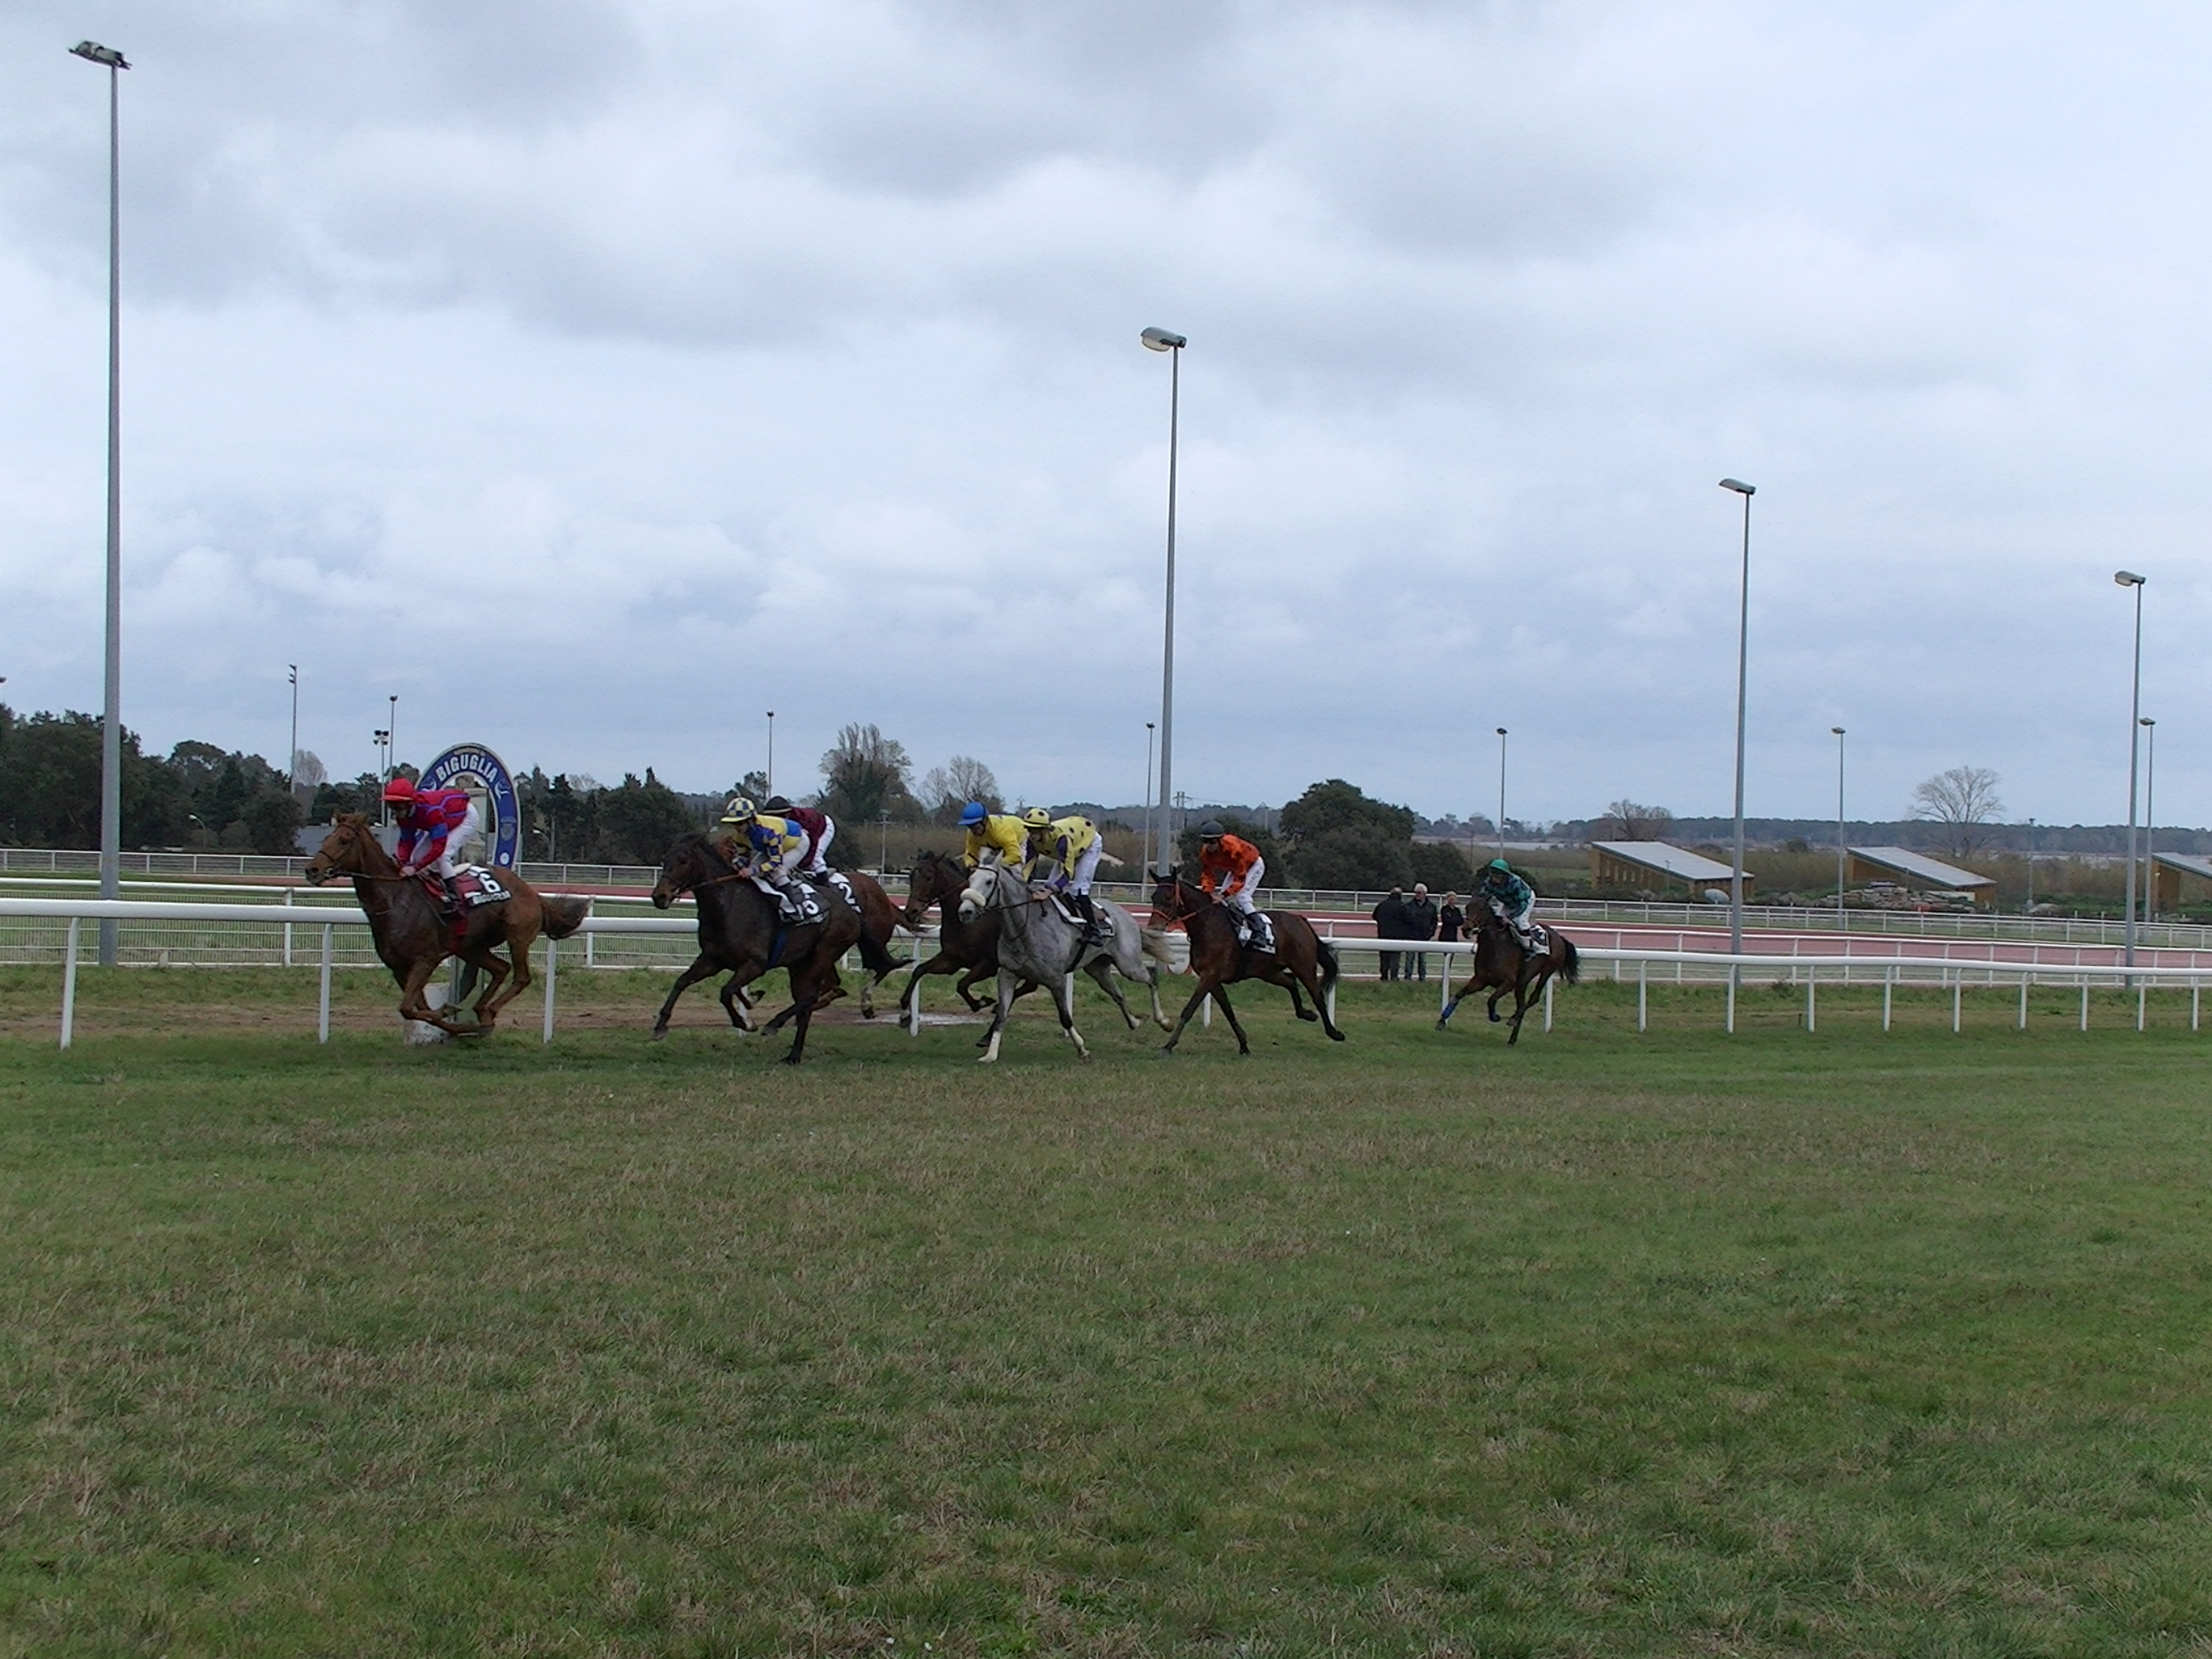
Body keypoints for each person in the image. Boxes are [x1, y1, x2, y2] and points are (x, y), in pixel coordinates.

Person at [720, 797, 824, 925]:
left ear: (750, 820)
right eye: (734, 824)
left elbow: (775, 862)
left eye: (740, 823)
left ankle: (799, 907)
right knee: (752, 873)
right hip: (771, 847)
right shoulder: (739, 837)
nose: (737, 827)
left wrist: (753, 870)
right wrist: (737, 865)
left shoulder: (768, 832)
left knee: (778, 871)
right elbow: (743, 858)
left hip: (798, 843)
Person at [383, 776, 479, 907]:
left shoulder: (431, 812)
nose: (395, 812)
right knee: (416, 857)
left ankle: (455, 898)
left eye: (398, 807)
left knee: (443, 856)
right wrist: (402, 863)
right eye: (391, 807)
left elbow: (438, 847)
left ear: (410, 803)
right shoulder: (404, 816)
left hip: (466, 817)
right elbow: (406, 843)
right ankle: (434, 886)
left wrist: (415, 868)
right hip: (446, 820)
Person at [1024, 808, 1107, 945]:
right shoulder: (1031, 841)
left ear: (1045, 830)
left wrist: (1050, 891)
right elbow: (1028, 866)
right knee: (1049, 885)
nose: (1031, 834)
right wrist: (1023, 885)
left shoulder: (1062, 839)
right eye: (1029, 829)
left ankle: (1094, 931)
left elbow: (1067, 873)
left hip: (1088, 844)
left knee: (1078, 890)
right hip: (1071, 845)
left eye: (1035, 830)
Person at [1196, 820, 1273, 951]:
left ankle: (1260, 933)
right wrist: (1208, 893)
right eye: (1206, 842)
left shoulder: (1233, 848)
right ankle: (1237, 928)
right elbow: (1207, 875)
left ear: (1220, 841)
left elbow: (1240, 879)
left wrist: (1223, 894)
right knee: (1224, 901)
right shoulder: (1206, 853)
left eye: (1213, 842)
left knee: (1242, 897)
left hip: (1253, 865)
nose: (1209, 846)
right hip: (1236, 870)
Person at [1475, 856, 1542, 955]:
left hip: (1525, 900)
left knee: (1520, 922)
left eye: (1498, 875)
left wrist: (1510, 917)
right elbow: (1482, 896)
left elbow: (1522, 904)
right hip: (1508, 901)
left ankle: (1531, 947)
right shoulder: (1489, 882)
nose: (1495, 877)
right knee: (1497, 919)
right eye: (1493, 874)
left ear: (1505, 875)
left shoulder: (1515, 883)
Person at [764, 794, 834, 878]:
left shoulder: (801, 820)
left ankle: (823, 880)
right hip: (811, 828)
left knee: (815, 857)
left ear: (787, 815)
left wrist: (803, 862)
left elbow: (812, 842)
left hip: (824, 826)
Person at [959, 801, 1033, 875]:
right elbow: (971, 854)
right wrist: (970, 866)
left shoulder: (1000, 829)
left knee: (1015, 869)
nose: (974, 831)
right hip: (995, 844)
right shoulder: (971, 833)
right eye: (970, 827)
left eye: (977, 827)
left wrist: (995, 866)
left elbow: (1015, 855)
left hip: (1019, 839)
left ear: (985, 821)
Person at [1403, 882, 1439, 982]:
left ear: (1424, 894)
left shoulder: (1431, 907)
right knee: (1409, 959)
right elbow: (1405, 921)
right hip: (1411, 937)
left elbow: (1434, 921)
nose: (1417, 895)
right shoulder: (1408, 906)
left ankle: (1422, 978)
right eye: (1416, 893)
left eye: (1419, 893)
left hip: (1424, 937)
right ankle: (1408, 977)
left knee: (1422, 960)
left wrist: (1430, 933)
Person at [1371, 886, 1407, 982]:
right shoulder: (1402, 907)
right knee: (1395, 959)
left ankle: (1384, 976)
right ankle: (1394, 977)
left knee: (1384, 958)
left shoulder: (1382, 905)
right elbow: (1408, 920)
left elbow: (1374, 916)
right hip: (1398, 936)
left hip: (1383, 935)